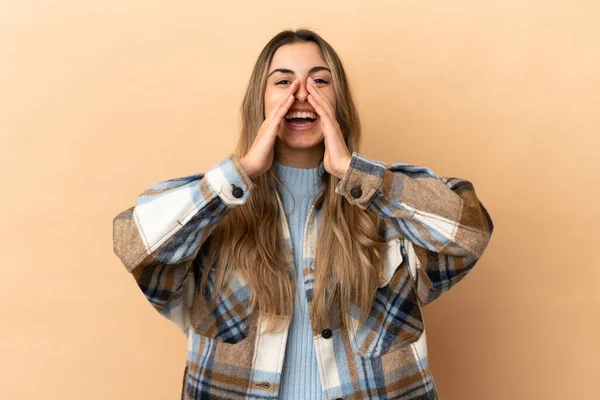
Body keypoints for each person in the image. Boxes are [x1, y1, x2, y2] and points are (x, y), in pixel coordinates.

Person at [112, 29, 494, 400]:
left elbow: (470, 232)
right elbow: (134, 243)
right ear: (258, 103)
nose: (300, 94)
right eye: (282, 82)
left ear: (338, 101)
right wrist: (240, 172)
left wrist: (353, 171)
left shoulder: (385, 211)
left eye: (319, 81)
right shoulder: (217, 214)